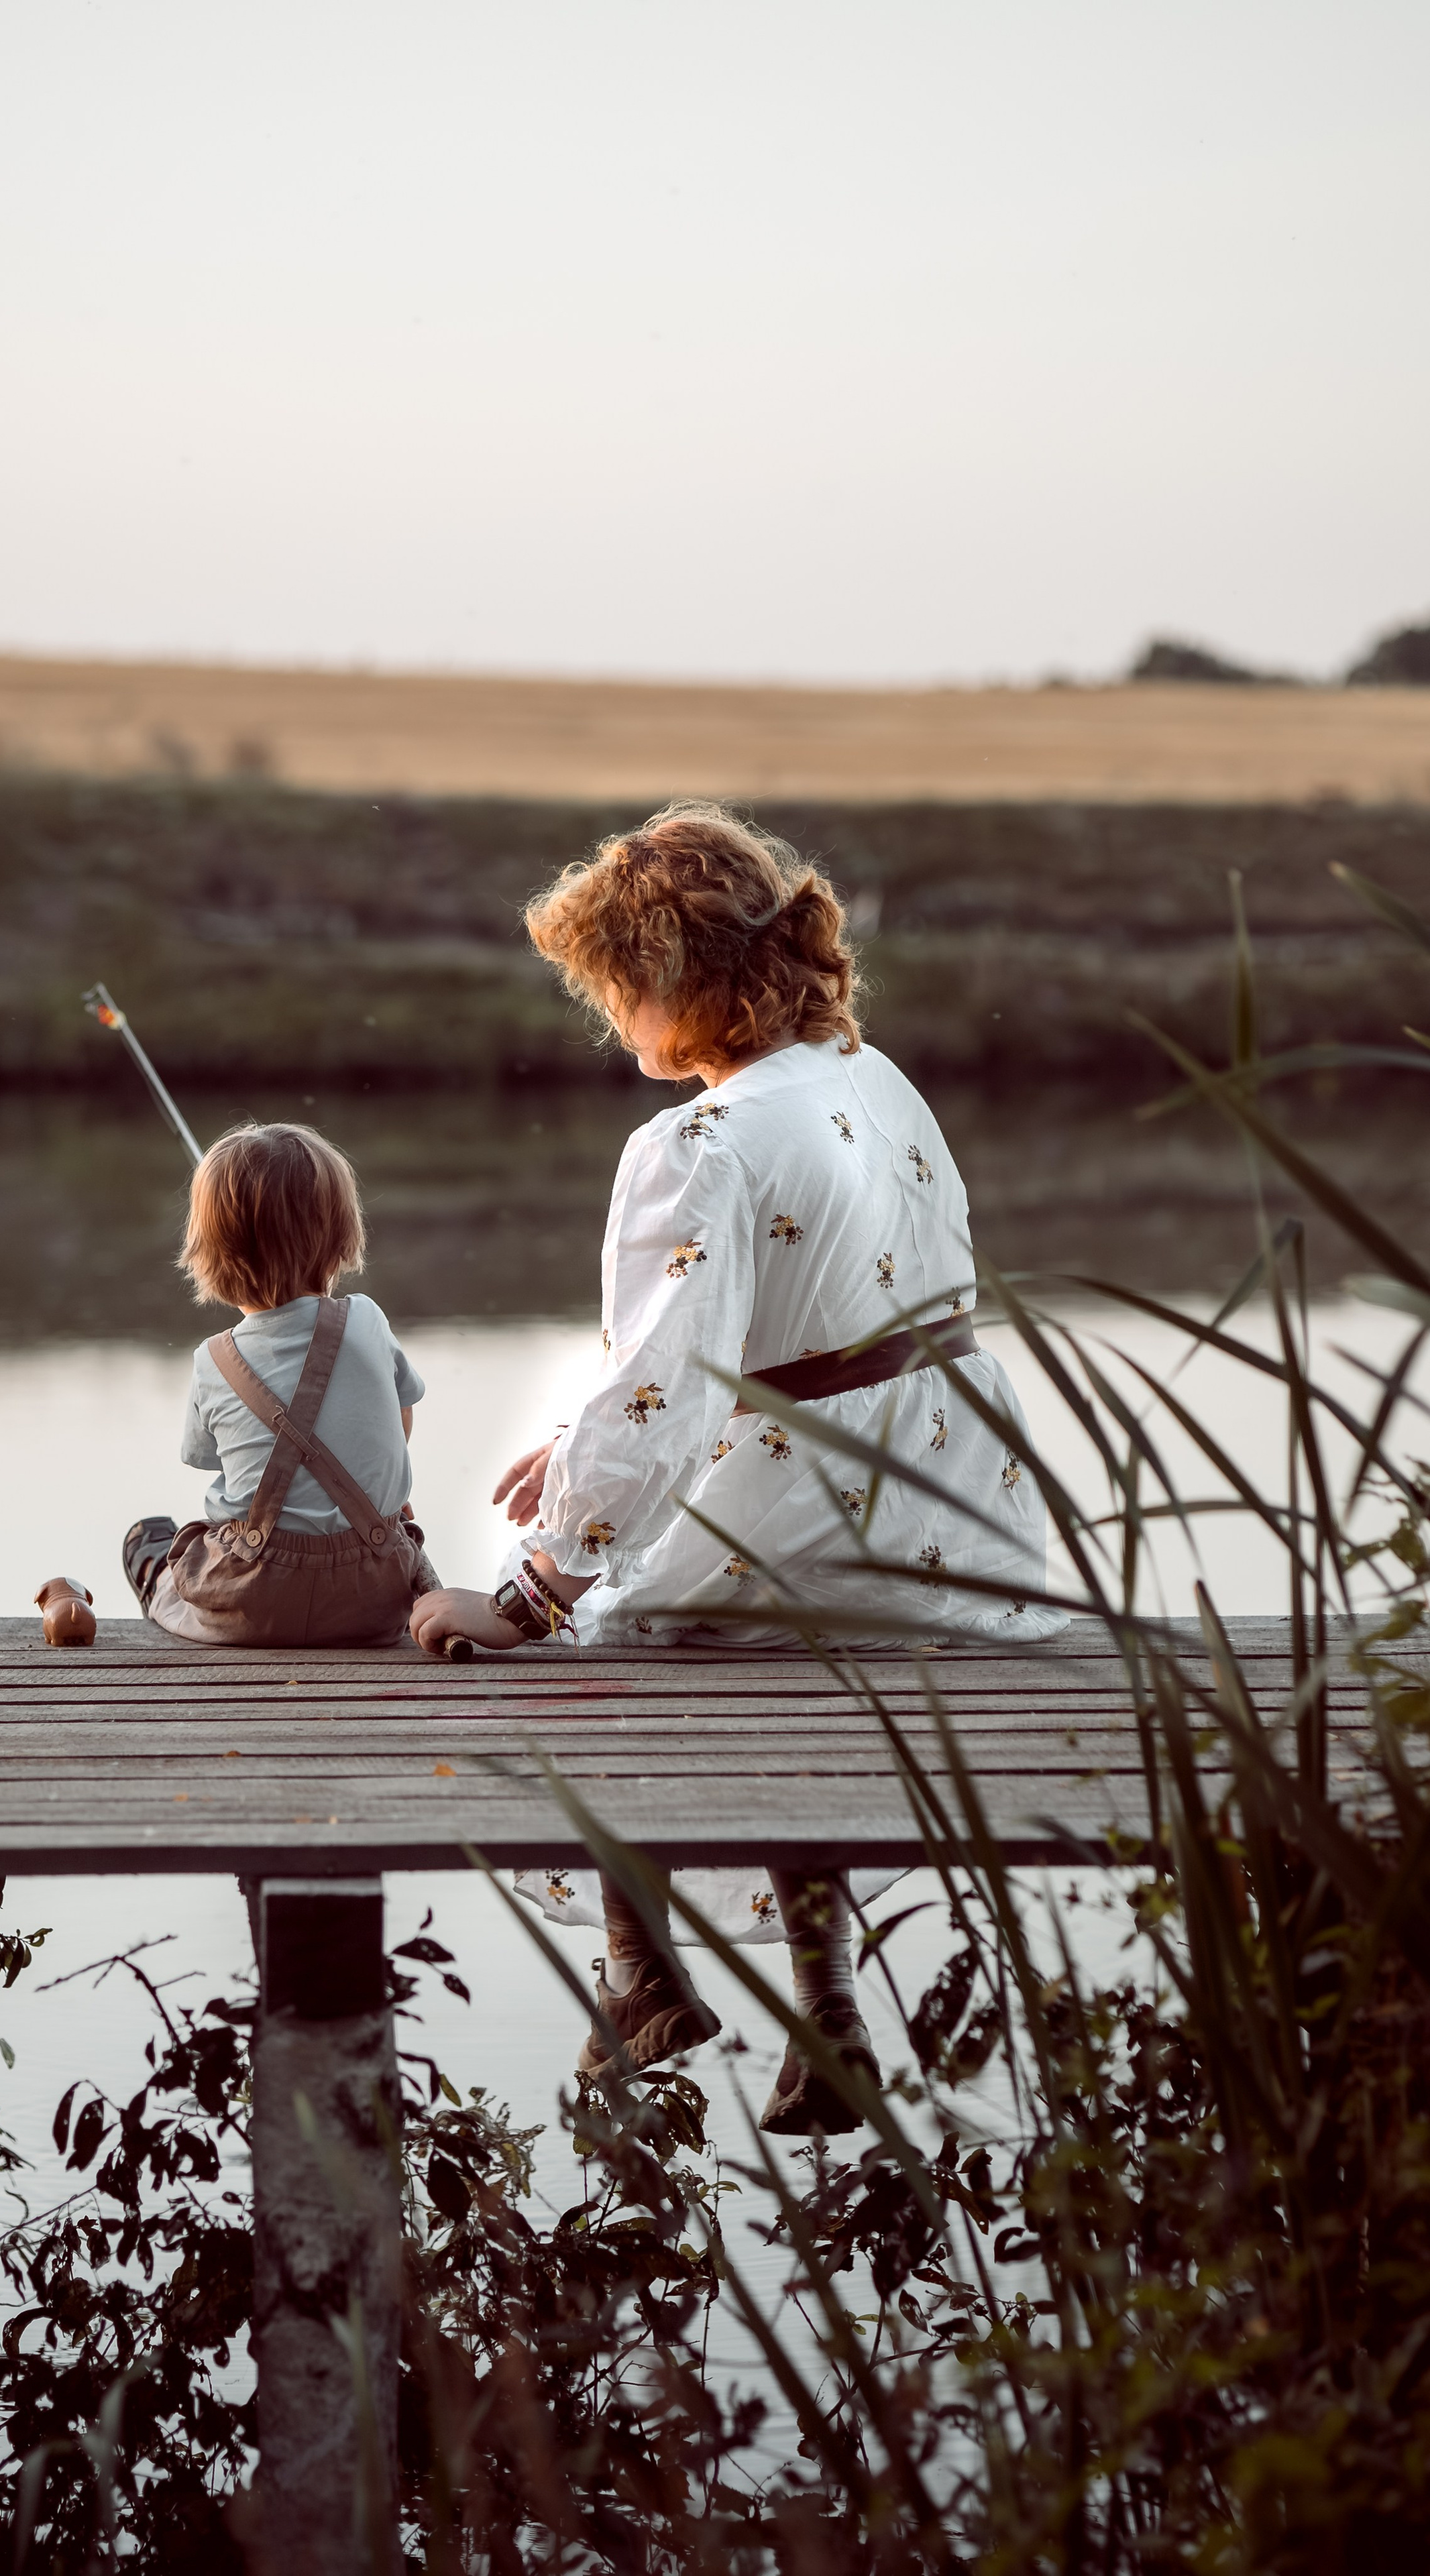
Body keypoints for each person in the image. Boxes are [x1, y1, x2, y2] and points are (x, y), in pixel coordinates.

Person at [409, 802, 1065, 2131]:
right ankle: (822, 2012)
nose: (608, 1023)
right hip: (956, 1524)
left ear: (668, 982)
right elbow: (785, 1342)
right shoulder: (872, 1079)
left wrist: (532, 1594)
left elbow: (665, 1391)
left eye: (609, 992)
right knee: (730, 1597)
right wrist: (591, 1440)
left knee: (593, 1621)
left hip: (812, 1528)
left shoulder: (691, 1147)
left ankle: (642, 1975)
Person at [124, 1122, 435, 1646]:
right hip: (372, 1598)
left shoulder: (213, 1360)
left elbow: (210, 1458)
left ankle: (151, 1573)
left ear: (211, 1253)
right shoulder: (368, 1320)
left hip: (253, 1604)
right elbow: (400, 1417)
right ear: (340, 1240)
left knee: (169, 1545)